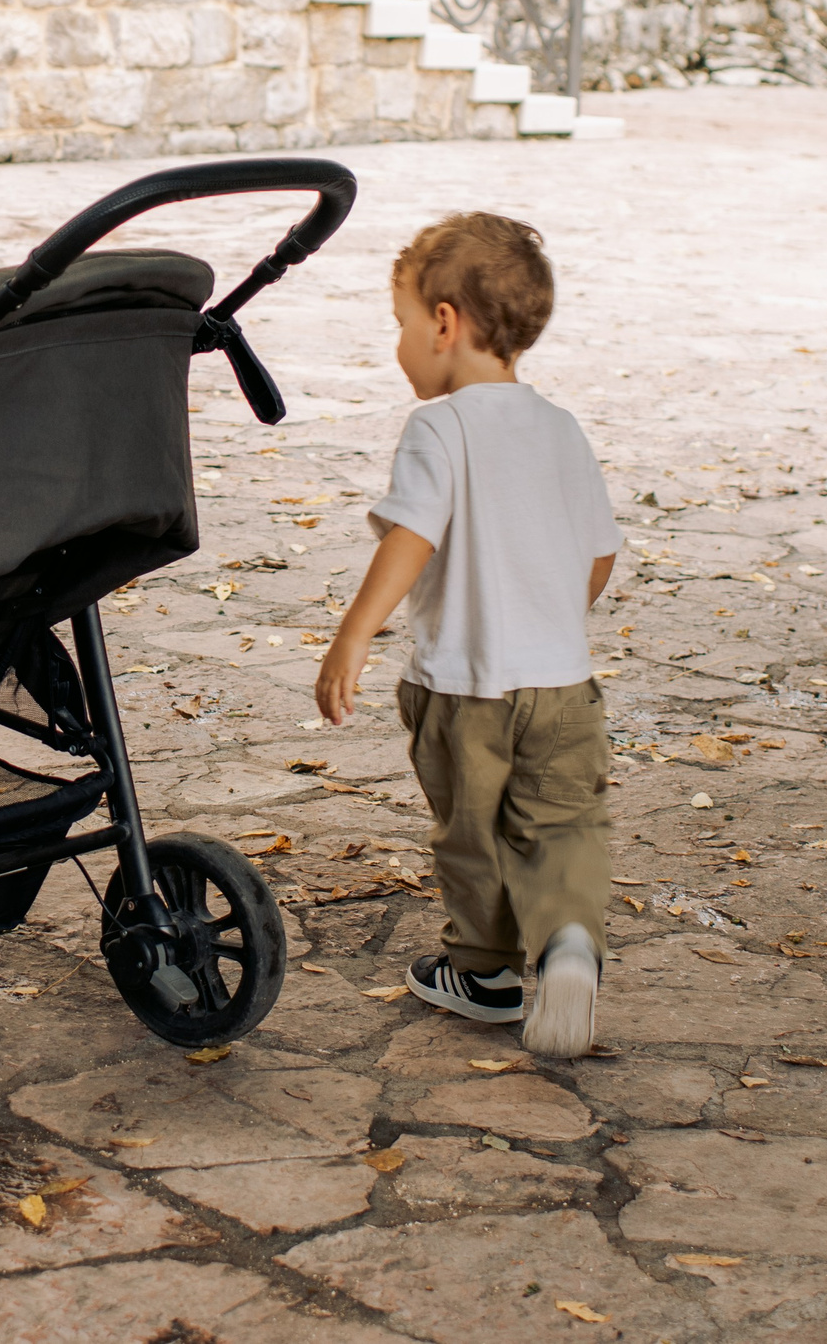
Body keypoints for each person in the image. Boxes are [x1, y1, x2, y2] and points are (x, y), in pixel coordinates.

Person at [312, 213, 620, 1057]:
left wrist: (354, 635)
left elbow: (410, 537)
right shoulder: (561, 427)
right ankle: (565, 945)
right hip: (562, 685)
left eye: (402, 325)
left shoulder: (438, 428)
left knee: (472, 832)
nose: (401, 345)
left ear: (445, 322)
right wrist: (550, 615)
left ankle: (484, 972)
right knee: (562, 825)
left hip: (464, 689)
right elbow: (599, 554)